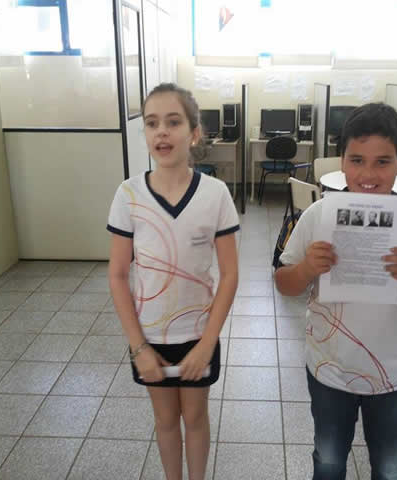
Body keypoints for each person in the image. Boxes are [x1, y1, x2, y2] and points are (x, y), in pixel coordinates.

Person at [274, 103, 397, 480]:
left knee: (391, 466)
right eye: (357, 160)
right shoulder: (319, 215)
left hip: (394, 373)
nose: (368, 174)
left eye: (383, 162)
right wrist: (307, 269)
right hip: (330, 370)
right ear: (341, 162)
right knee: (328, 460)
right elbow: (284, 283)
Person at [107, 83, 239, 480]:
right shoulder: (128, 194)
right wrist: (139, 347)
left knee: (195, 418)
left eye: (173, 122)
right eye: (152, 123)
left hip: (198, 334)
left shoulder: (215, 194)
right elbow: (118, 275)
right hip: (151, 337)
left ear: (194, 133)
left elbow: (230, 274)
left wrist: (207, 343)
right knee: (165, 421)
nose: (161, 132)